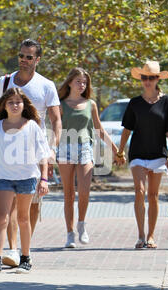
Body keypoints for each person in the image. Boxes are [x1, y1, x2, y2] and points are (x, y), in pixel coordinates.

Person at [0, 39, 61, 267]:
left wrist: (53, 149)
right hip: (8, 149)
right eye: (21, 55)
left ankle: (24, 248)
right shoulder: (4, 81)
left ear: (37, 59)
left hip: (35, 149)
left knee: (31, 205)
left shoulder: (46, 85)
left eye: (29, 57)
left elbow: (56, 119)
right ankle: (13, 249)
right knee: (9, 205)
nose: (24, 60)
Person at [0, 88, 50, 274]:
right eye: (11, 102)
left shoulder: (32, 126)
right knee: (2, 218)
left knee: (23, 218)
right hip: (4, 177)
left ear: (24, 104)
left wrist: (44, 179)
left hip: (27, 178)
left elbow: (43, 155)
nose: (15, 105)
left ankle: (25, 258)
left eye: (18, 102)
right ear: (4, 105)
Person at [116, 60, 168, 249]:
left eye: (151, 78)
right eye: (145, 77)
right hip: (138, 153)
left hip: (158, 154)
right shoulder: (134, 103)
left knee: (153, 195)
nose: (148, 81)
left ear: (157, 79)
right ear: (141, 79)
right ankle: (141, 235)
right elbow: (127, 129)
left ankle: (151, 236)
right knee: (139, 191)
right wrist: (120, 151)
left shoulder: (167, 102)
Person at [57, 67, 119, 248]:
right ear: (70, 83)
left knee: (84, 191)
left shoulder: (90, 104)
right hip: (64, 148)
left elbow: (99, 128)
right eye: (78, 81)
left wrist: (114, 149)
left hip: (84, 148)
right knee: (68, 194)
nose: (82, 85)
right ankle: (69, 234)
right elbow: (55, 129)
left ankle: (81, 224)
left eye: (84, 82)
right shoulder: (60, 104)